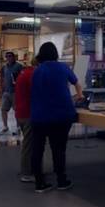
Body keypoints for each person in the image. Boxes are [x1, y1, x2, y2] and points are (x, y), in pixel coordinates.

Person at [25, 41, 78, 192]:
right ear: (56, 54)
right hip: (61, 115)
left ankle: (39, 183)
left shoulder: (37, 71)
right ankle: (61, 180)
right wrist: (79, 96)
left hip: (39, 116)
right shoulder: (63, 68)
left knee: (37, 149)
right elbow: (75, 82)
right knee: (59, 149)